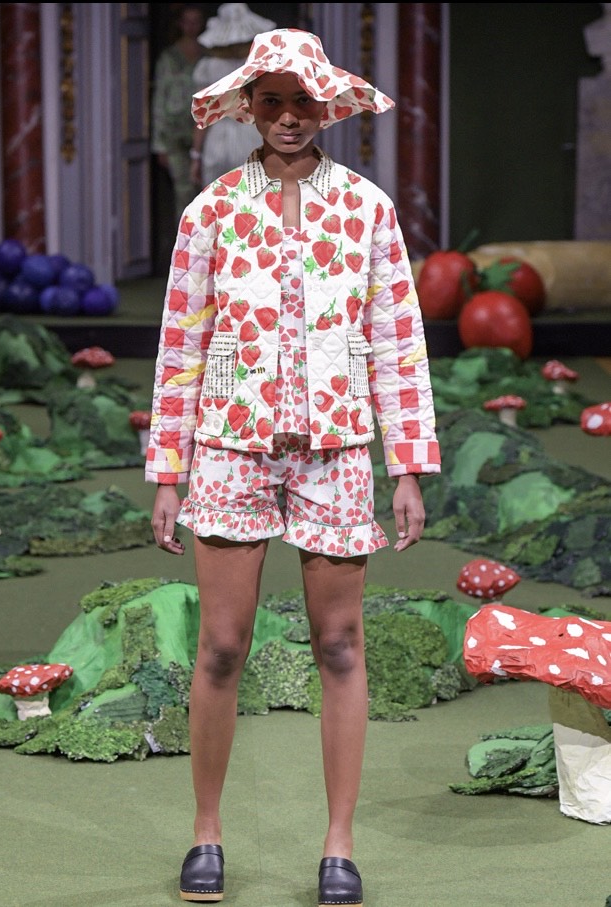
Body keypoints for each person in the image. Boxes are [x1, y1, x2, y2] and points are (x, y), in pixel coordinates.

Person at [146, 27, 441, 907]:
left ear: (327, 107)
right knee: (222, 645)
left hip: (337, 448)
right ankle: (206, 832)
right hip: (229, 447)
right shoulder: (209, 213)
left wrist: (407, 465)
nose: (287, 116)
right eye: (271, 100)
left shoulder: (366, 209)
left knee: (340, 645)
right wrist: (168, 468)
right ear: (246, 107)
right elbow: (181, 345)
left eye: (302, 100)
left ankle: (338, 846)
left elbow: (396, 339)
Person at [188, 3, 276, 187]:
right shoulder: (262, 66)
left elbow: (203, 116)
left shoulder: (208, 66)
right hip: (253, 137)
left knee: (218, 198)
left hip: (217, 140)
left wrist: (195, 155)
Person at [151, 4, 206, 224]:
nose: (191, 26)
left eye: (195, 21)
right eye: (187, 21)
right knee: (183, 193)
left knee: (208, 190)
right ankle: (185, 241)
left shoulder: (208, 54)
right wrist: (159, 144)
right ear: (180, 24)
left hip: (204, 130)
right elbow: (160, 99)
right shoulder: (169, 57)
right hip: (175, 132)